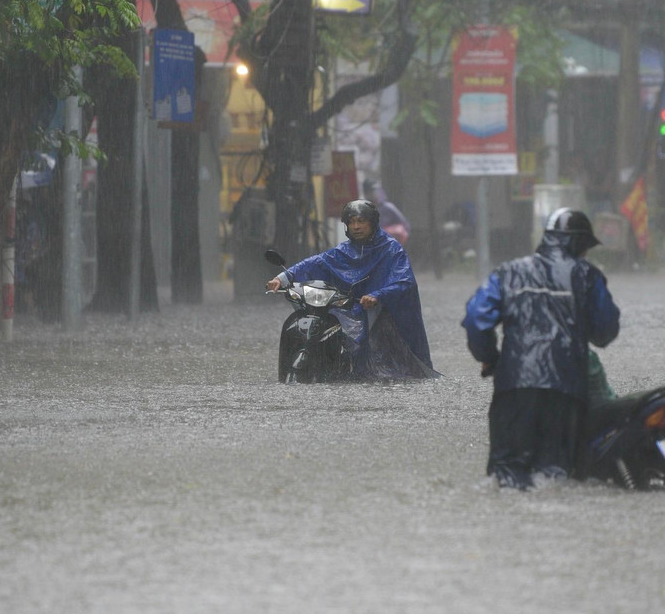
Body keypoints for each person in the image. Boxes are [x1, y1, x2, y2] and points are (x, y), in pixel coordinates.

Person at [462, 208, 620, 489]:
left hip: (514, 386)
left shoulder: (509, 272)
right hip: (567, 390)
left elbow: (476, 319)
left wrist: (490, 358)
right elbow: (605, 331)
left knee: (506, 477)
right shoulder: (587, 276)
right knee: (554, 475)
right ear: (580, 244)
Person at [266, 198, 438, 379]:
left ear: (372, 223)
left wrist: (377, 295)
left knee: (375, 358)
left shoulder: (391, 249)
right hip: (348, 309)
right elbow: (316, 263)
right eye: (352, 222)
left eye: (361, 221)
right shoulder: (343, 251)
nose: (356, 226)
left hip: (380, 313)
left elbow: (404, 281)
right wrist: (282, 278)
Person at [362, 179, 410, 246]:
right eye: (369, 191)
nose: (373, 193)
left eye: (374, 190)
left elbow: (404, 225)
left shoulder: (388, 207)